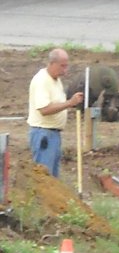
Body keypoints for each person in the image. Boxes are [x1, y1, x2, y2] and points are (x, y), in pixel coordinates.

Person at [27, 48, 84, 177]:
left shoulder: (56, 80)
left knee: (53, 176)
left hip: (54, 134)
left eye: (66, 66)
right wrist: (69, 103)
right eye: (62, 66)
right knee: (44, 177)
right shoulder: (42, 81)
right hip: (43, 134)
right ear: (52, 63)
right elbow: (44, 109)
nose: (65, 70)